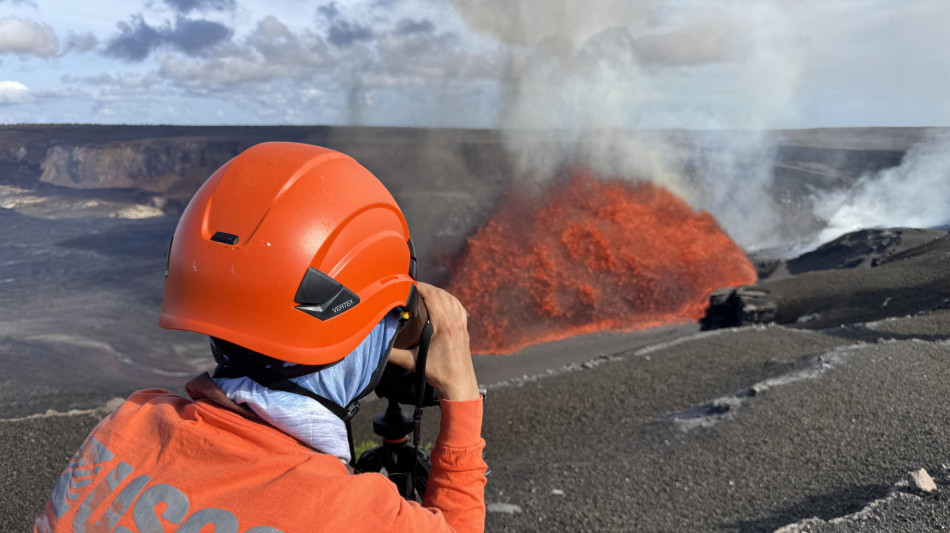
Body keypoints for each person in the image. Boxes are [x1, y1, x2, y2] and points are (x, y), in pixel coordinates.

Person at [35, 142, 487, 533]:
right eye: (390, 320)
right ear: (351, 322)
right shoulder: (355, 514)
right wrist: (462, 393)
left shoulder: (126, 427)